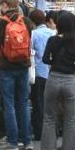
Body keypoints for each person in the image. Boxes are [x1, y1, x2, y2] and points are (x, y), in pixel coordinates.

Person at [0, 0, 34, 150]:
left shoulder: (0, 23)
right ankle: (27, 140)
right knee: (23, 103)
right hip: (23, 66)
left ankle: (13, 142)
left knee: (9, 104)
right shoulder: (26, 22)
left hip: (6, 67)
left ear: (4, 5)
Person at [41, 11, 75, 150]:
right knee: (70, 119)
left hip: (53, 79)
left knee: (49, 117)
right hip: (69, 80)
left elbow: (45, 59)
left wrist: (56, 63)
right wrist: (69, 67)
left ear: (59, 25)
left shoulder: (52, 40)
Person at [30, 9, 56, 142]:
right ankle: (54, 130)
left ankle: (39, 132)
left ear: (33, 22)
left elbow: (30, 53)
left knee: (38, 103)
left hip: (39, 72)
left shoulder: (33, 34)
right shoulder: (52, 32)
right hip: (52, 72)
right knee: (52, 103)